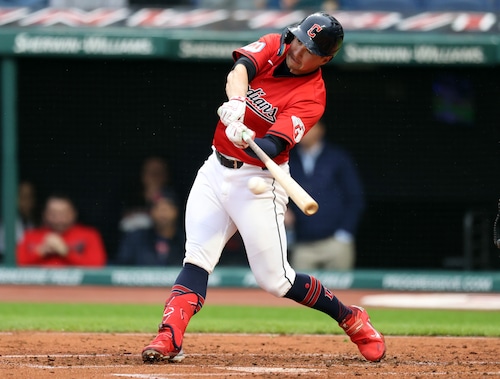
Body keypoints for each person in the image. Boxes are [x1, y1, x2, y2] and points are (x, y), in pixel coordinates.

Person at [142, 12, 385, 364]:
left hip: (259, 180)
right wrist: (238, 104)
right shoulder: (276, 44)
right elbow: (239, 71)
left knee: (277, 281)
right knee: (197, 257)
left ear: (326, 59)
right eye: (300, 39)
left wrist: (249, 138)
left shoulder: (312, 96)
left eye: (310, 48)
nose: (299, 50)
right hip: (214, 170)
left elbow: (275, 146)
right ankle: (169, 336)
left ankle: (350, 317)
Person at [286, 120, 365, 270]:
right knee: (303, 291)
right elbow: (276, 192)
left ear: (321, 130)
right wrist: (284, 210)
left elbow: (355, 198)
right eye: (300, 127)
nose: (303, 132)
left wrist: (345, 234)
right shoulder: (287, 159)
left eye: (309, 127)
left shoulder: (338, 158)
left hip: (335, 242)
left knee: (341, 291)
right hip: (302, 244)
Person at [16, 192, 107, 267]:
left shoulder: (89, 234)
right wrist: (41, 251)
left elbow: (97, 265)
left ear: (74, 213)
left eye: (64, 213)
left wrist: (65, 251)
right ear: (44, 214)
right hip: (37, 288)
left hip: (76, 288)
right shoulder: (30, 235)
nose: (59, 218)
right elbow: (14, 263)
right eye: (53, 213)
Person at [114, 189, 185, 266]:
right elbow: (121, 269)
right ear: (150, 212)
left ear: (176, 211)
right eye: (157, 207)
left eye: (168, 207)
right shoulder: (135, 239)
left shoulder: (186, 241)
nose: (163, 212)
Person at [120, 155, 177, 233]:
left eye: (158, 173)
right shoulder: (129, 197)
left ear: (165, 176)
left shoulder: (172, 198)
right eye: (151, 172)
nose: (154, 177)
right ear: (142, 175)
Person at [0, 180, 39, 261]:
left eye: (29, 197)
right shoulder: (4, 221)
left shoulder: (36, 222)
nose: (26, 202)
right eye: (22, 197)